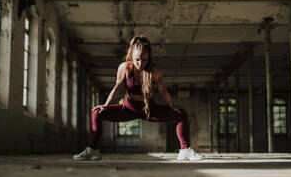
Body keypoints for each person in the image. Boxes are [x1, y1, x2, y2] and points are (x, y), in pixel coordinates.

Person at [73, 35, 203, 161]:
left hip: (149, 110)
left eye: (144, 60)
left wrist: (172, 106)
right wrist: (106, 105)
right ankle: (92, 151)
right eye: (137, 60)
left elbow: (163, 90)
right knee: (96, 112)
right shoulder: (124, 68)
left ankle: (185, 151)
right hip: (128, 109)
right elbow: (117, 87)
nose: (140, 63)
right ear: (132, 57)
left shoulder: (155, 70)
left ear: (149, 57)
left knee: (181, 113)